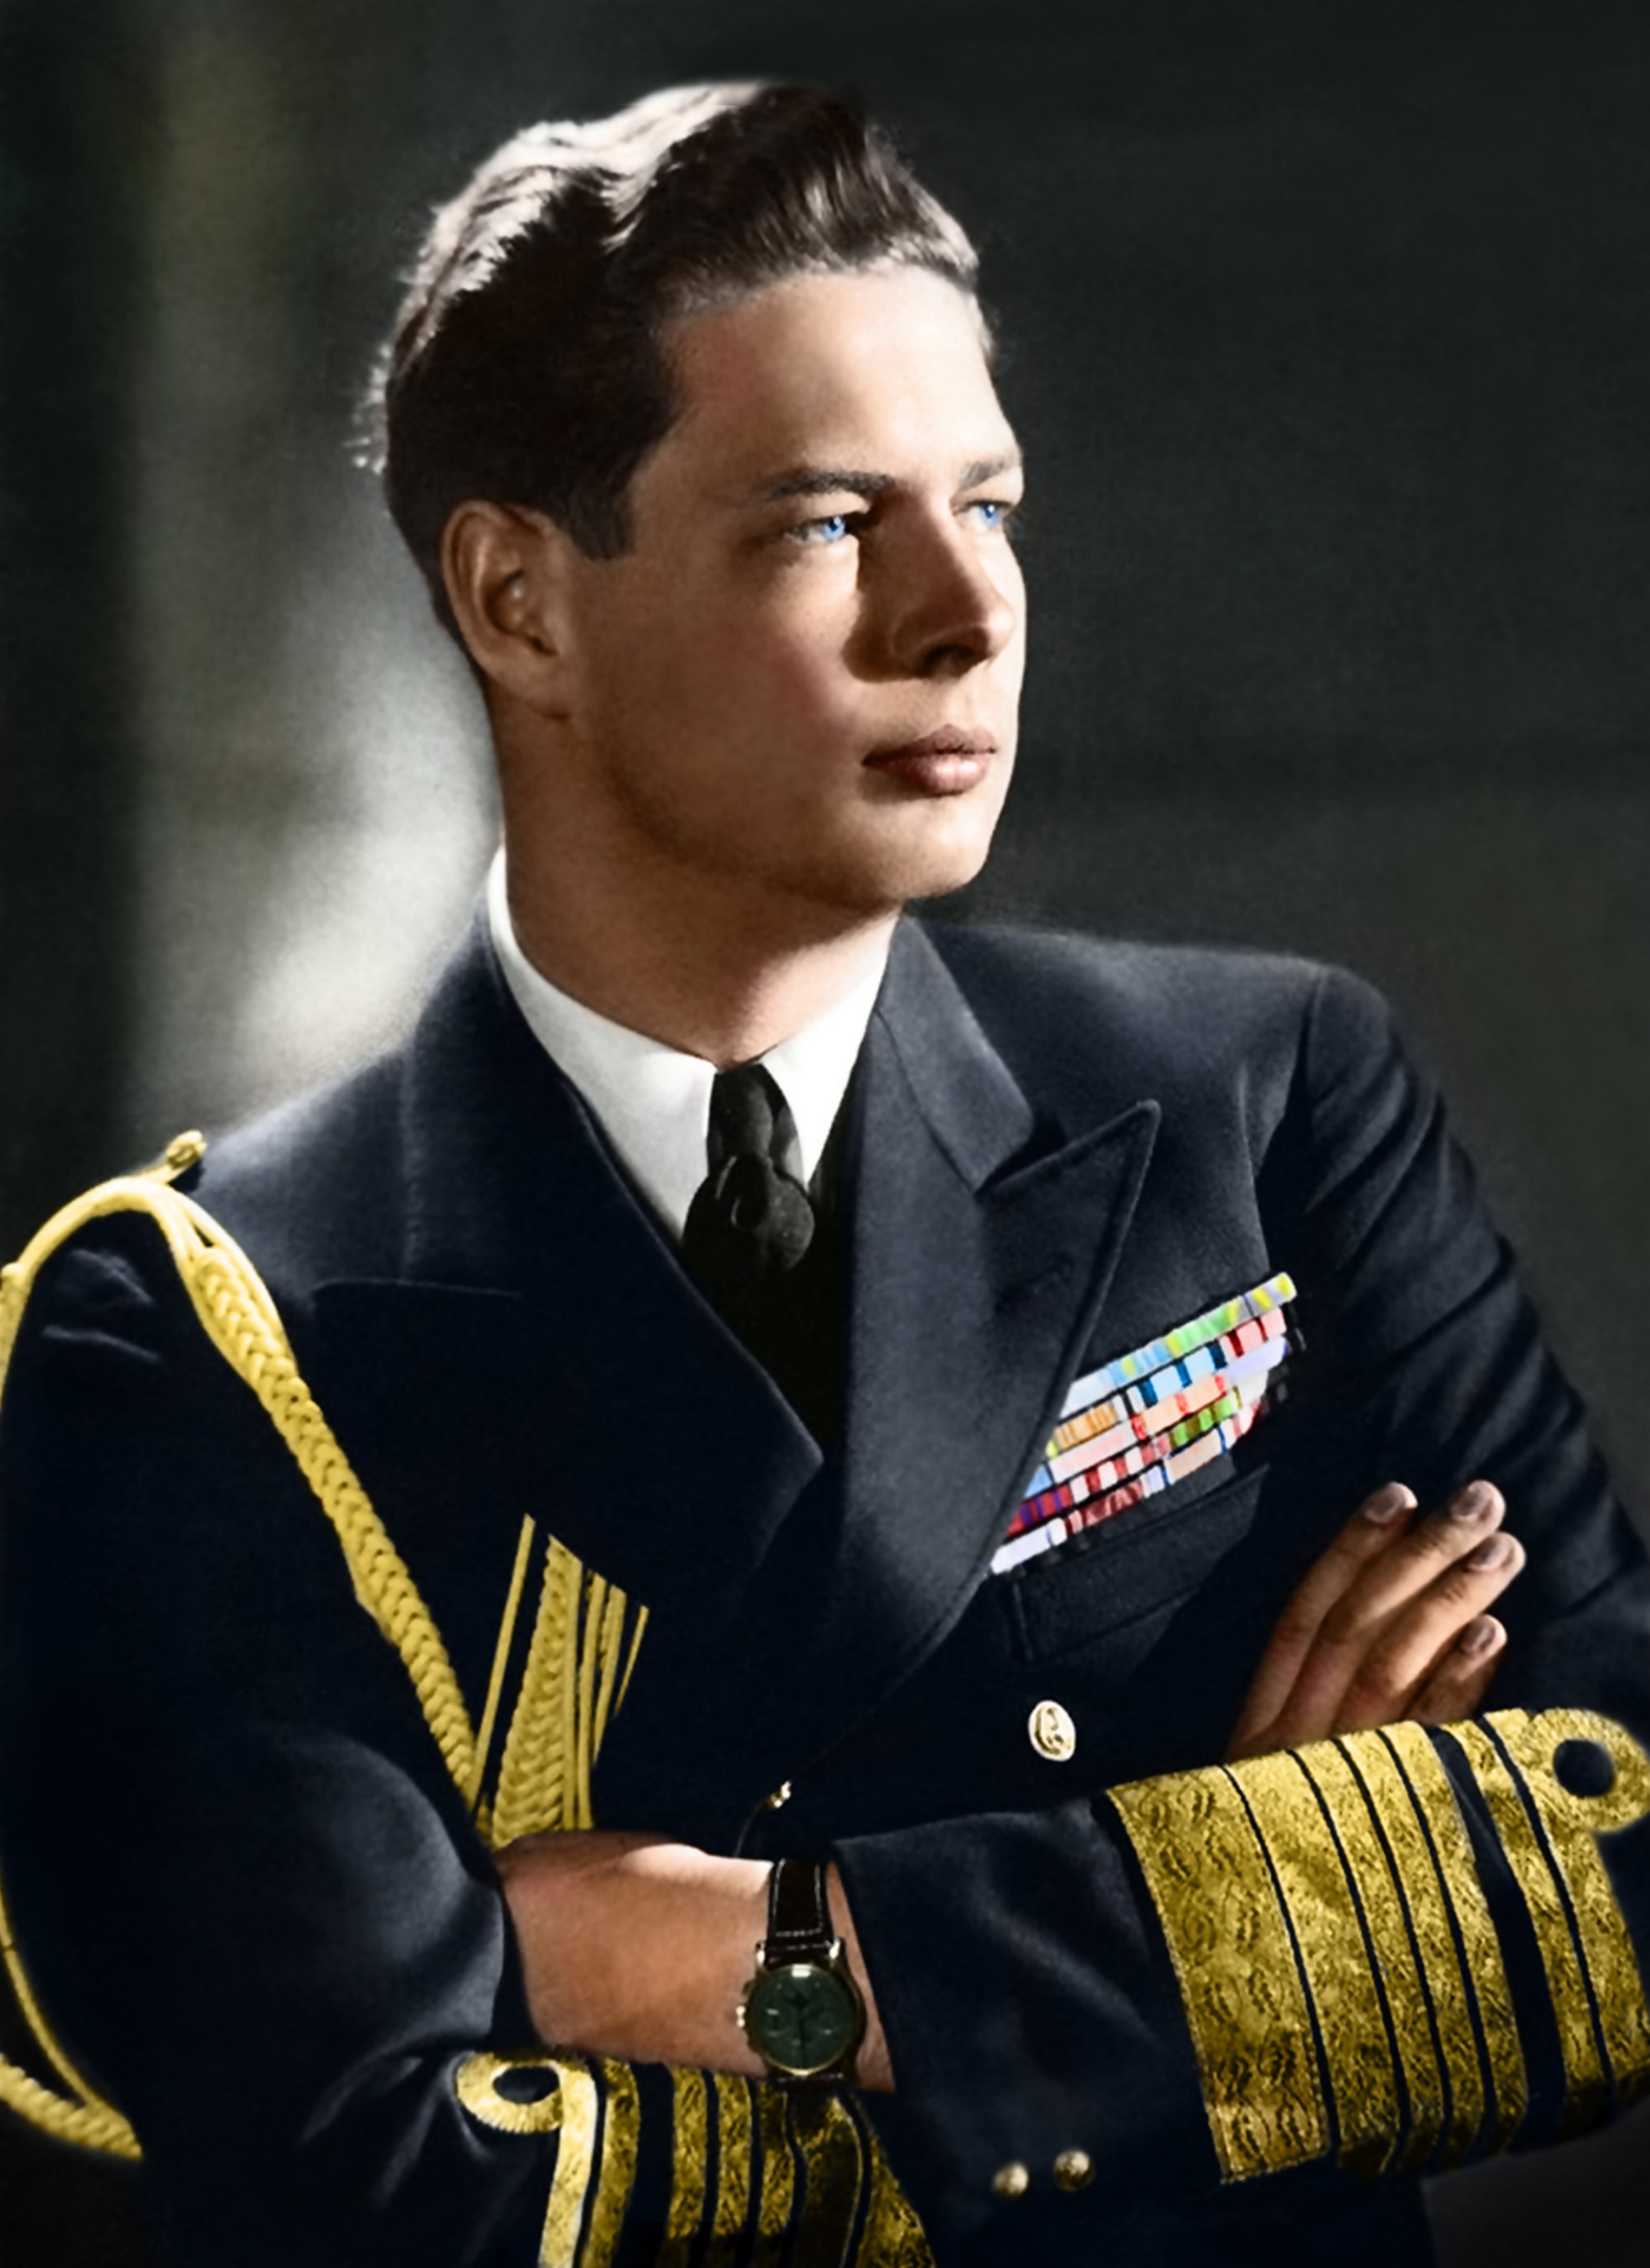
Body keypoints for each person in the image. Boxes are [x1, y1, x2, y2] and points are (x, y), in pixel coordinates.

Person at [1, 78, 1647, 2268]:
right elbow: (369, 2178)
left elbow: (1624, 1868)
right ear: (520, 600)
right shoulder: (200, 1328)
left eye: (991, 504)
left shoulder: (1263, 1100)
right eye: (825, 522)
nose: (965, 613)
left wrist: (750, 1953)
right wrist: (1269, 1929)